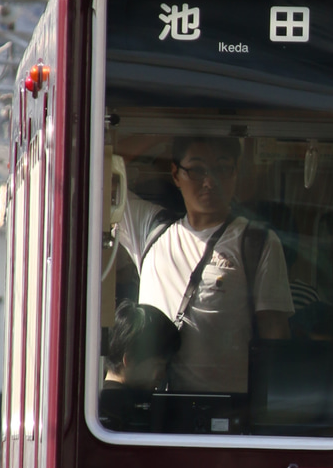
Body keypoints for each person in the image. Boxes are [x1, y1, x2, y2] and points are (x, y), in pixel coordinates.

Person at [117, 135, 293, 395]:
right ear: (175, 174)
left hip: (223, 407)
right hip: (152, 403)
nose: (210, 182)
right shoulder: (151, 230)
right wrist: (164, 128)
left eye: (222, 169)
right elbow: (100, 168)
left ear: (236, 174)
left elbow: (274, 333)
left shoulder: (256, 242)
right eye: (197, 169)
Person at [98, 300, 179, 429]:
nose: (163, 374)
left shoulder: (95, 402)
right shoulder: (131, 409)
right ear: (130, 359)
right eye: (158, 365)